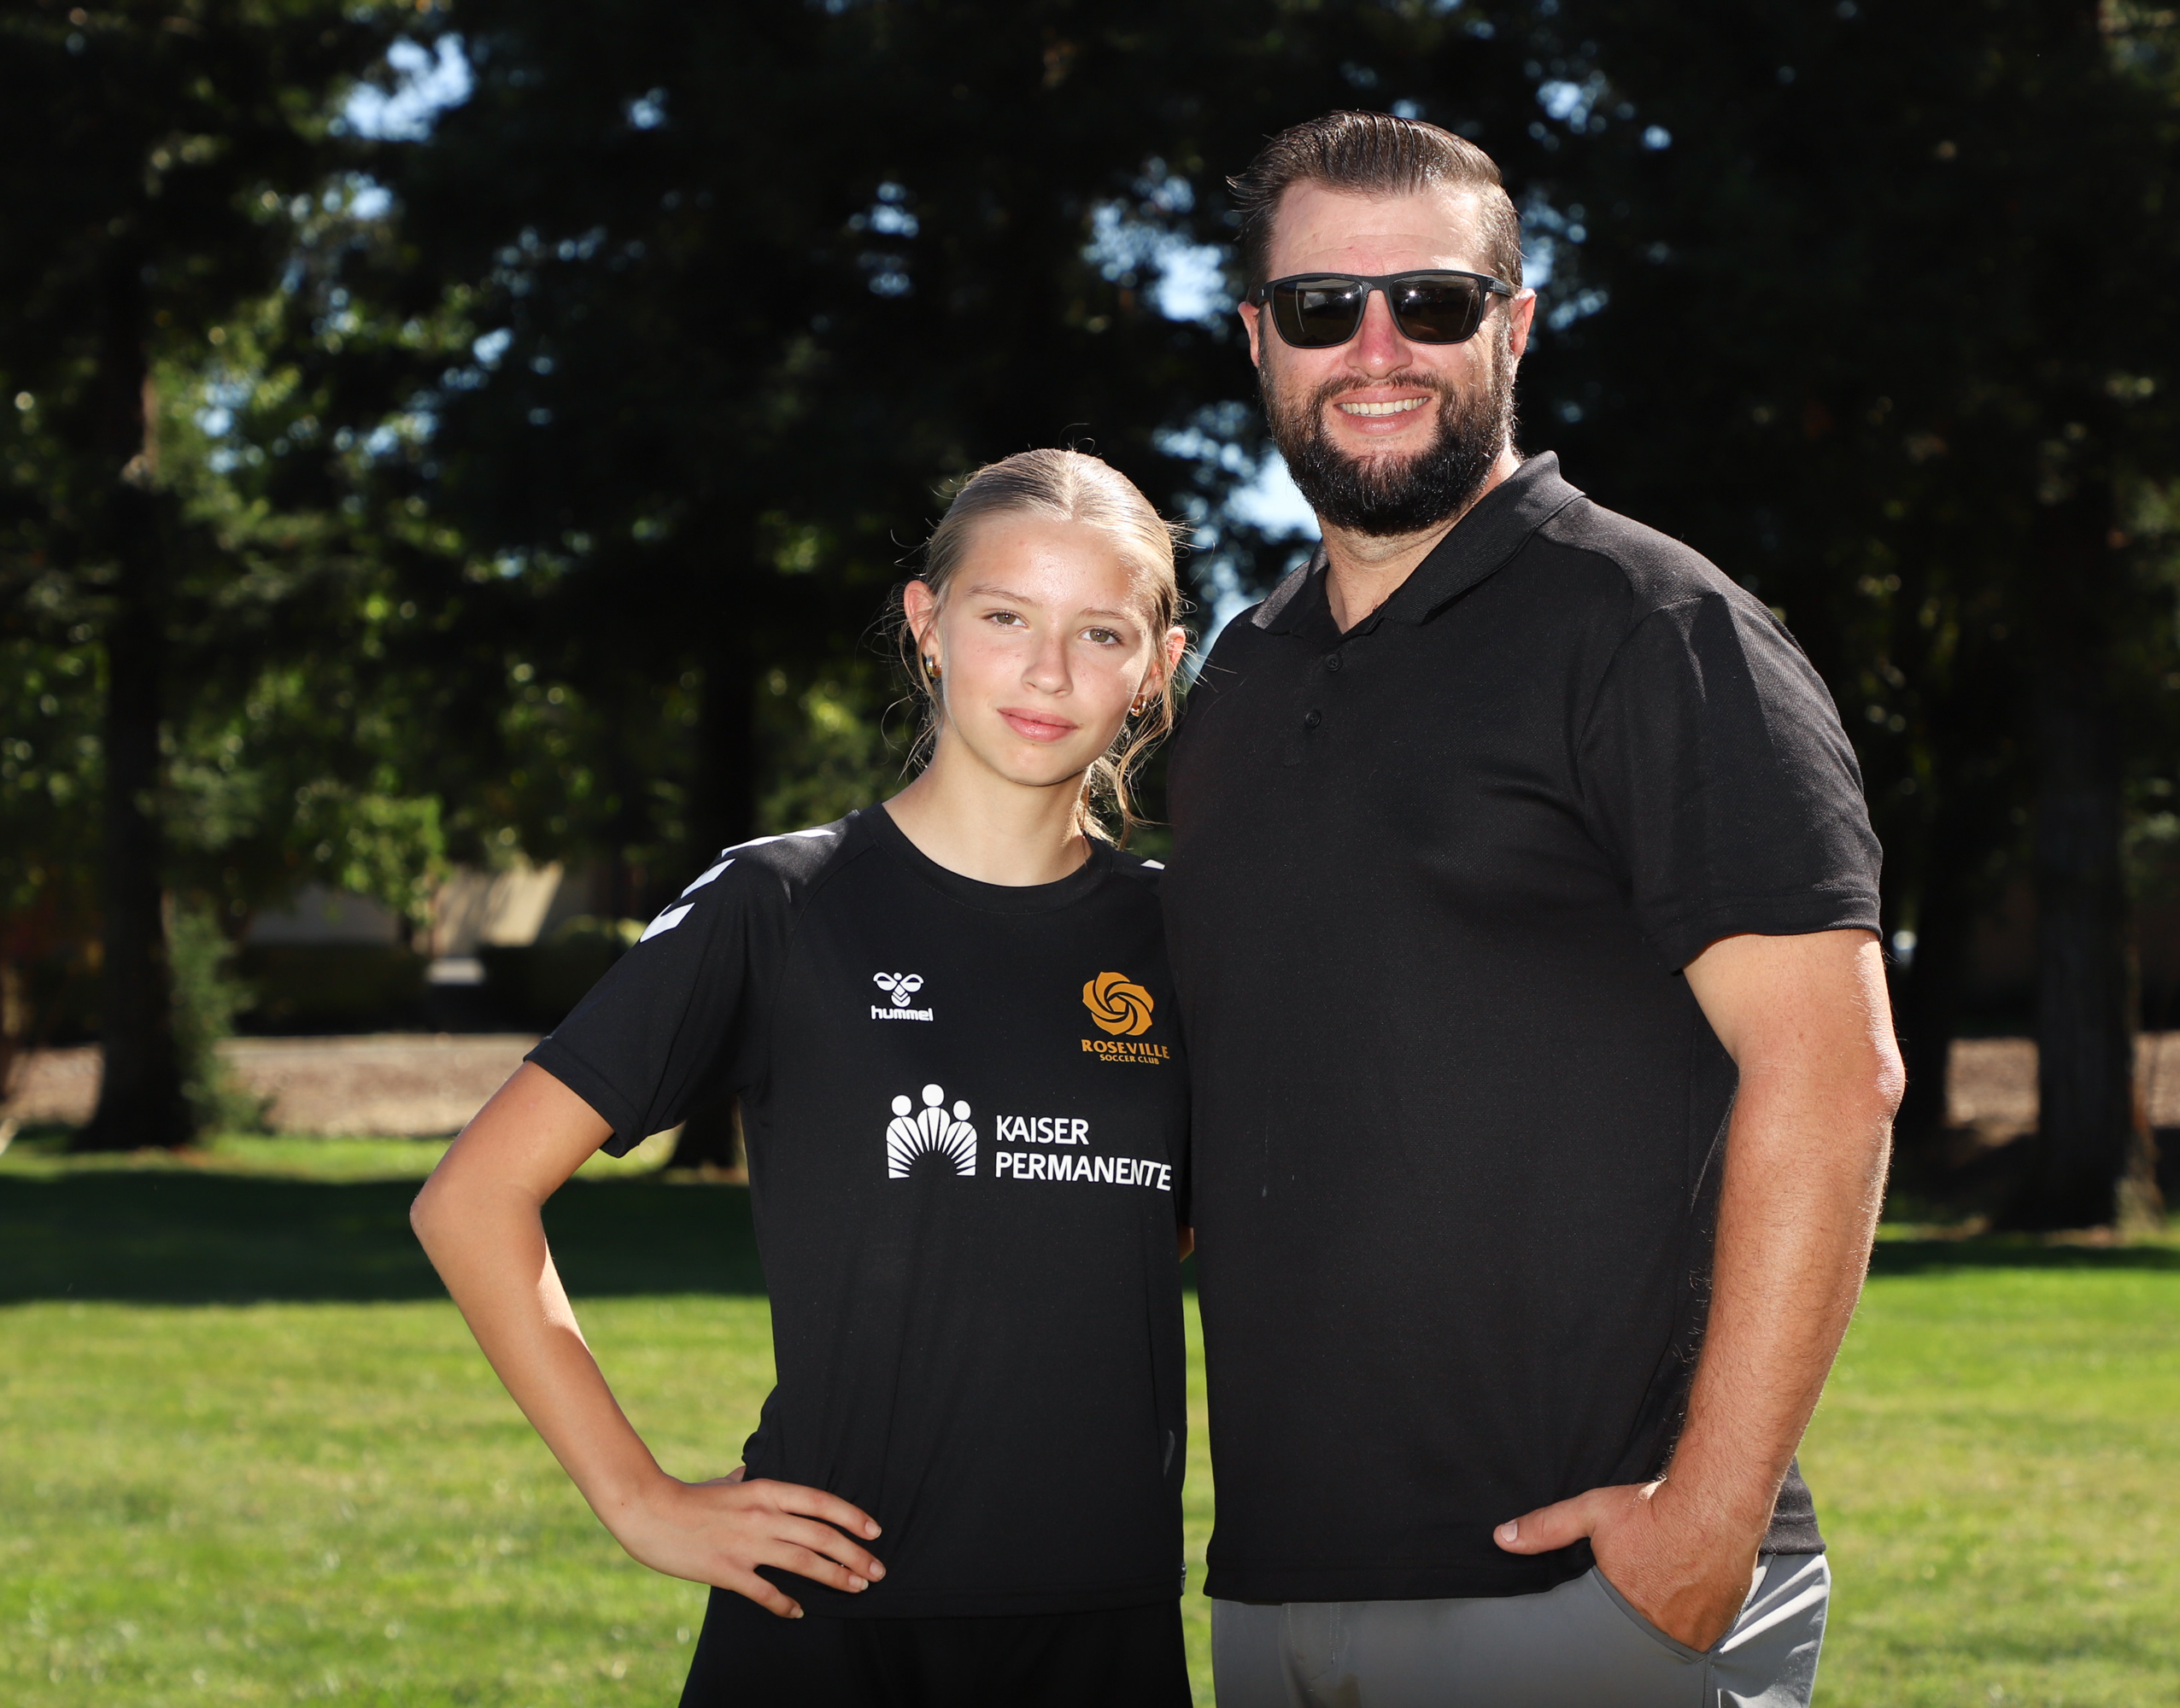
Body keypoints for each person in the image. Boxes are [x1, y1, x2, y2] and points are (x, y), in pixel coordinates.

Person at [1162, 112, 1903, 1707]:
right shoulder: (1237, 681)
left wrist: (1708, 1526)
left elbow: (1833, 1074)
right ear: (1257, 338)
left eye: (1431, 302)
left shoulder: (1657, 629)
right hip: (1273, 1591)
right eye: (1322, 307)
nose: (1375, 349)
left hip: (1584, 1591)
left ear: (1514, 324)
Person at [412, 448, 1196, 1708]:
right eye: (1006, 617)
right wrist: (639, 1500)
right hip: (827, 1613)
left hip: (1103, 1624)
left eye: (1100, 633)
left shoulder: (1188, 939)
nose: (1048, 672)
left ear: (1158, 668)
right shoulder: (781, 903)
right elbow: (471, 1200)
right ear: (928, 625)